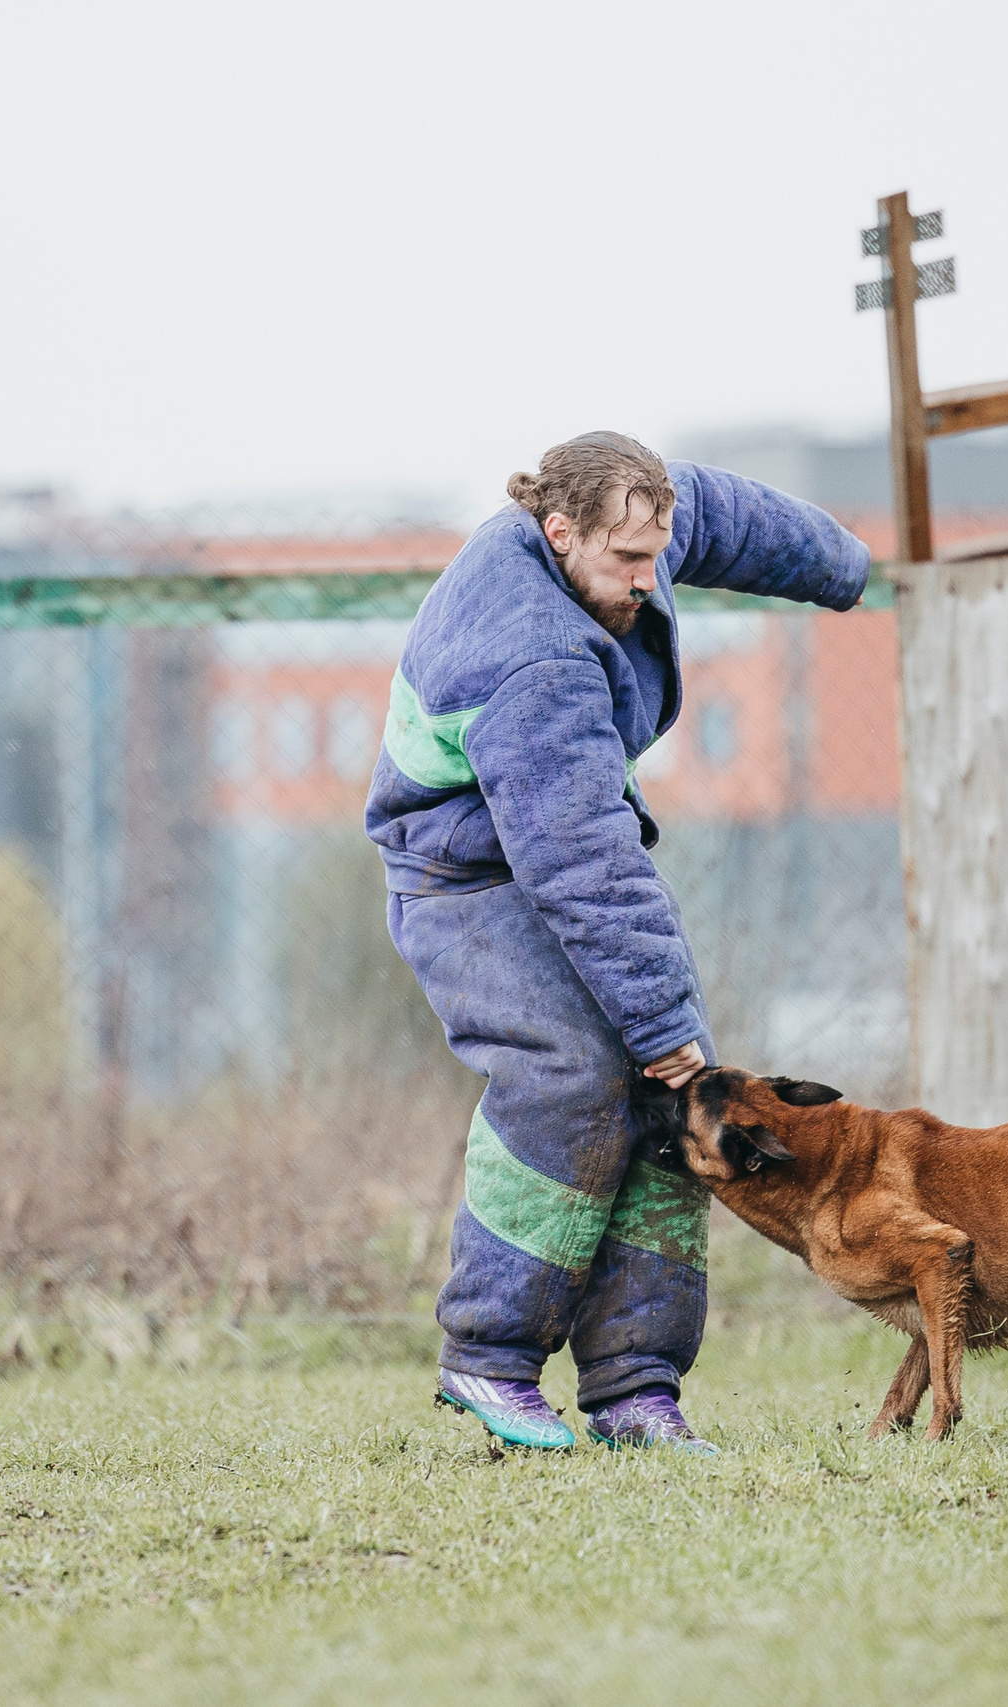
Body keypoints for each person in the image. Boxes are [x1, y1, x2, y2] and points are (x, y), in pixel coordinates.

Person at [367, 431, 870, 1452]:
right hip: (462, 876)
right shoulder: (532, 660)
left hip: (546, 846)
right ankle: (490, 1357)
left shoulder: (623, 523)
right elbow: (585, 868)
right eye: (628, 564)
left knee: (674, 1103)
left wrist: (843, 567)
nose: (649, 580)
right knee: (571, 1076)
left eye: (658, 554)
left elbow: (727, 516)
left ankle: (636, 1391)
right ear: (558, 533)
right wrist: (661, 1024)